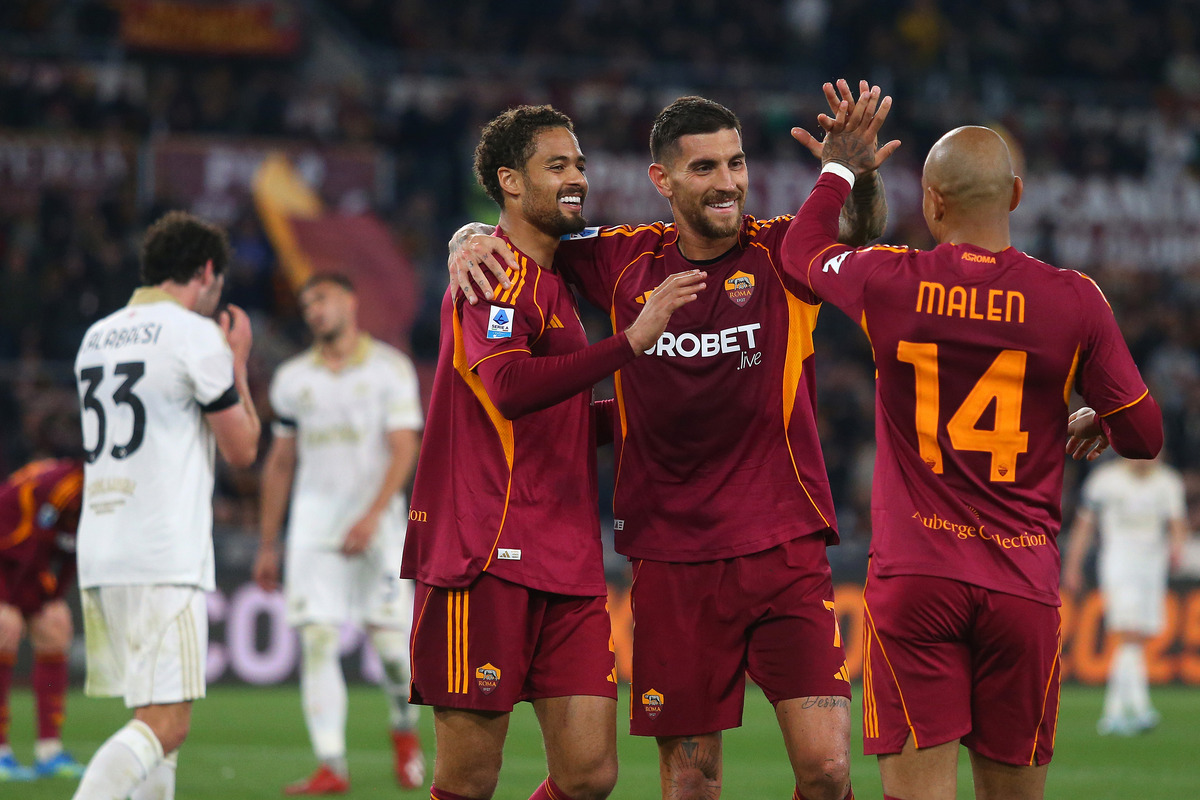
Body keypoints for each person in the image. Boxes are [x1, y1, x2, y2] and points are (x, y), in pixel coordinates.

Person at [450, 92, 887, 800]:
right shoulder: (621, 262)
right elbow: (528, 233)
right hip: (671, 556)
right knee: (690, 780)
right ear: (664, 181)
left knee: (829, 770)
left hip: (784, 546)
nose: (728, 182)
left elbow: (858, 227)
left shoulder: (782, 252)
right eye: (706, 167)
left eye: (737, 163)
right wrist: (468, 237)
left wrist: (858, 173)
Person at [782, 83, 1163, 800]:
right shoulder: (1075, 298)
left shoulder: (889, 280)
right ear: (1016, 195)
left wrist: (839, 168)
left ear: (930, 201)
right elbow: (1144, 436)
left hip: (917, 577)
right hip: (1021, 586)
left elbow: (801, 251)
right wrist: (1100, 417)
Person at [402, 104, 705, 800]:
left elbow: (558, 413)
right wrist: (630, 343)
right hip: (486, 554)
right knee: (469, 780)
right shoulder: (490, 276)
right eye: (557, 166)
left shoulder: (554, 285)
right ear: (510, 182)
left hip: (564, 559)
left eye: (580, 165)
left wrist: (646, 412)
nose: (577, 178)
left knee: (590, 775)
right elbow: (507, 388)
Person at [71, 210, 260, 800]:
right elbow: (243, 448)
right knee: (166, 723)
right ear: (206, 272)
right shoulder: (192, 334)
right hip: (162, 552)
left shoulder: (96, 335)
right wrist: (238, 362)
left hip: (103, 549)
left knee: (153, 720)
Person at [254, 273, 426, 794]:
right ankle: (332, 764)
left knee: (396, 656)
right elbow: (280, 463)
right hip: (313, 531)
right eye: (306, 304)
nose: (314, 310)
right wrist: (268, 541)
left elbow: (404, 448)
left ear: (350, 302)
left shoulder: (389, 369)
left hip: (378, 528)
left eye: (322, 299)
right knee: (318, 641)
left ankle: (403, 730)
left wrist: (373, 514)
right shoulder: (291, 379)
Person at [1063, 454, 1189, 736]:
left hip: (1152, 568)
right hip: (1119, 563)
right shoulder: (1105, 481)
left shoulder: (1168, 481)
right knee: (1129, 633)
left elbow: (1177, 523)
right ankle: (1140, 707)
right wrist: (1072, 566)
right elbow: (1085, 526)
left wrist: (1178, 549)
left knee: (1137, 638)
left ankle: (1115, 712)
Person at [0, 457, 85, 781]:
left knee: (55, 625)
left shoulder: (99, 493)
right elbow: (34, 542)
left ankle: (49, 752)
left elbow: (71, 549)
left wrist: (52, 598)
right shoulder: (67, 485)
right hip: (9, 557)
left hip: (20, 563)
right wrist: (10, 603)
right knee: (4, 627)